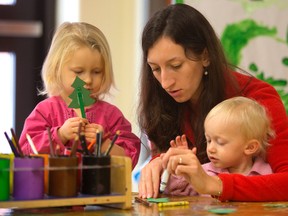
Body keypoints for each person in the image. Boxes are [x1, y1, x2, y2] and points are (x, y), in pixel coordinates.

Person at [137, 4, 288, 201]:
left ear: (205, 56)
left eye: (176, 66)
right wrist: (158, 163)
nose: (165, 82)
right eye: (155, 69)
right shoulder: (161, 102)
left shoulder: (259, 98)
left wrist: (214, 184)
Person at [19, 22, 140, 168]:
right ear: (57, 69)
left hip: (101, 190)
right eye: (78, 72)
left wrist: (103, 144)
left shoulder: (112, 116)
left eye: (96, 72)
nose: (88, 80)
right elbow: (25, 152)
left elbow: (128, 161)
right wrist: (60, 135)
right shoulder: (45, 111)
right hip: (54, 190)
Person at [162, 96, 274, 196]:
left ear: (250, 147)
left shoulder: (266, 175)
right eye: (209, 141)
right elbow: (172, 190)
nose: (210, 149)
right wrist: (180, 168)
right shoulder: (205, 172)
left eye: (220, 142)